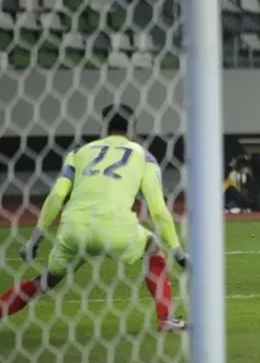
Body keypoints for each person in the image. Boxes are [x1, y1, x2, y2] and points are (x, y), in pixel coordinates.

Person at [0, 105, 189, 332]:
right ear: (133, 127)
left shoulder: (79, 153)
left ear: (103, 127)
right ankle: (166, 318)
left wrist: (35, 239)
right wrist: (178, 252)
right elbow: (157, 209)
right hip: (115, 228)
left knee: (45, 280)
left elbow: (57, 195)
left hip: (74, 229)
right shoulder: (144, 157)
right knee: (152, 248)